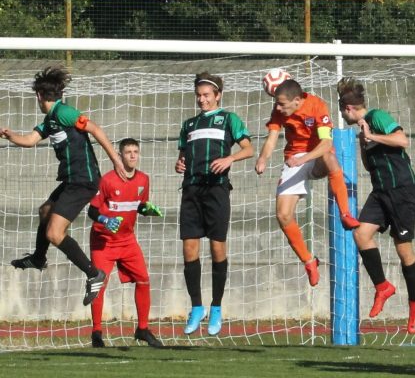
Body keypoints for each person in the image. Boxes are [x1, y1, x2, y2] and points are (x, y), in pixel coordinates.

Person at [1, 66, 126, 306]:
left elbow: (95, 129)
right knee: (45, 211)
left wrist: (115, 159)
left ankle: (93, 274)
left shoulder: (65, 113)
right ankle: (38, 259)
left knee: (54, 233)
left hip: (83, 180)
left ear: (39, 96)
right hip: (71, 180)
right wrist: (9, 135)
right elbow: (29, 140)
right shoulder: (50, 120)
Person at [336, 78, 415, 333]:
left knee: (403, 249)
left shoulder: (378, 116)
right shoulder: (362, 130)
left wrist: (372, 134)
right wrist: (364, 142)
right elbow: (367, 165)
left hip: (402, 191)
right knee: (361, 235)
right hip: (381, 191)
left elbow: (402, 140)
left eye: (342, 111)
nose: (342, 115)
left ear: (349, 109)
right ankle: (383, 287)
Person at [254, 79, 360, 287]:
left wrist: (303, 159)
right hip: (294, 158)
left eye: (282, 104)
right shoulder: (279, 110)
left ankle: (345, 213)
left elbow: (326, 143)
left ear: (296, 100)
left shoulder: (317, 106)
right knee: (283, 215)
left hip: (316, 156)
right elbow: (272, 139)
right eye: (277, 103)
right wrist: (263, 158)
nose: (278, 107)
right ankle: (309, 261)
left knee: (330, 157)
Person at [176, 72, 254, 336]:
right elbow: (182, 157)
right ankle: (196, 306)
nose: (202, 100)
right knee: (189, 247)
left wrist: (229, 159)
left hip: (216, 191)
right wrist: (180, 164)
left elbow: (248, 148)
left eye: (207, 95)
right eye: (199, 95)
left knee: (217, 247)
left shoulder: (229, 119)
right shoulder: (188, 125)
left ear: (217, 95)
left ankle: (217, 307)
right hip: (191, 190)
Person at [87, 138, 163, 348]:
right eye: (127, 152)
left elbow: (139, 206)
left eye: (135, 151)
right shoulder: (107, 180)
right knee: (98, 284)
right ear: (119, 156)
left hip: (127, 240)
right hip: (104, 241)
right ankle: (96, 333)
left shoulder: (144, 180)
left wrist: (147, 210)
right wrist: (105, 220)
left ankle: (143, 329)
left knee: (144, 279)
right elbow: (92, 210)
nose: (132, 155)